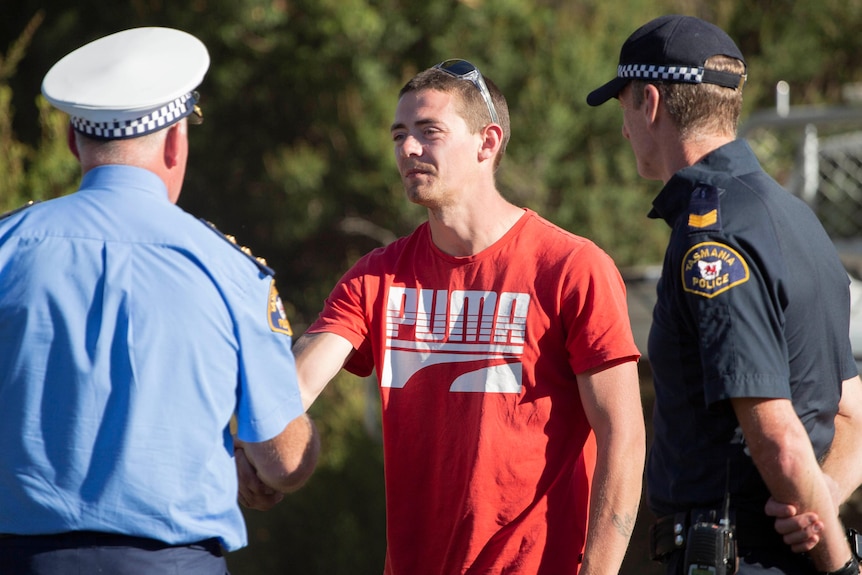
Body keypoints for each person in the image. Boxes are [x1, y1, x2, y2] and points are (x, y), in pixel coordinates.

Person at [280, 59, 646, 574]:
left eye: (429, 132)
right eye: (399, 134)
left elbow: (623, 438)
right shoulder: (377, 276)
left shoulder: (570, 267)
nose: (408, 148)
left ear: (487, 142)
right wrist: (254, 452)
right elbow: (292, 388)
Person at [0, 27, 318, 575]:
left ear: (75, 143)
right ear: (176, 143)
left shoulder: (8, 246)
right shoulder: (229, 270)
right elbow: (284, 461)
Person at [587, 14, 862, 575]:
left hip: (736, 557)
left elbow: (778, 438)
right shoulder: (797, 220)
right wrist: (824, 495)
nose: (624, 129)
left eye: (623, 108)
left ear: (651, 103)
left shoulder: (712, 235)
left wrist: (841, 566)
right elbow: (853, 411)